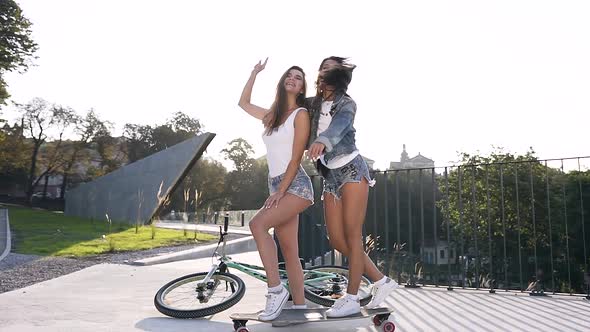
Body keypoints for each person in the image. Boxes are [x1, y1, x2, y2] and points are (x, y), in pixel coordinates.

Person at [306, 57, 398, 318]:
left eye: (330, 67)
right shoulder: (313, 104)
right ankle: (381, 280)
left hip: (351, 170)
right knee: (336, 238)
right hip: (330, 177)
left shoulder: (347, 104)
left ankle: (351, 297)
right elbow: (290, 110)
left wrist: (322, 141)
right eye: (322, 66)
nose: (325, 70)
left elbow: (338, 126)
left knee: (352, 236)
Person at [238, 58, 314, 321]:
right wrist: (254, 73)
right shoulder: (273, 116)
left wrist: (281, 190)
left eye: (298, 77)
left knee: (257, 225)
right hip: (277, 183)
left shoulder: (300, 115)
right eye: (288, 76)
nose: (292, 79)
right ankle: (300, 305)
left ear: (302, 87)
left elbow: (296, 159)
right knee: (289, 250)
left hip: (295, 186)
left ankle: (275, 290)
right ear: (282, 83)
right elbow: (244, 104)